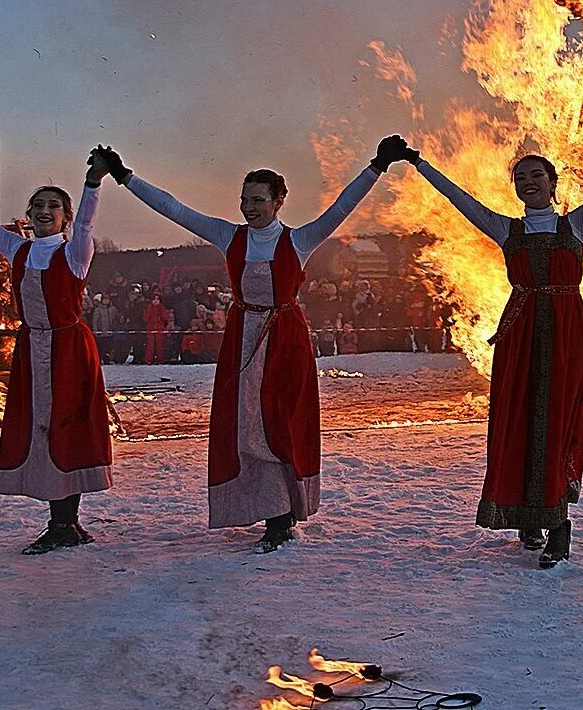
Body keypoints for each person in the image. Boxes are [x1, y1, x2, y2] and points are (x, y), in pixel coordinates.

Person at [91, 137, 405, 551]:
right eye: (245, 199)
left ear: (279, 202)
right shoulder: (229, 236)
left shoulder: (300, 241)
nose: (249, 207)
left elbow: (342, 208)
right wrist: (125, 176)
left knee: (278, 423)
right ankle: (273, 512)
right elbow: (174, 209)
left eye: (258, 200)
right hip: (242, 337)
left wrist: (376, 166)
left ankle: (283, 512)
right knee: (248, 425)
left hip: (285, 339)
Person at [407, 132, 583, 568]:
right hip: (520, 335)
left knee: (556, 424)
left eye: (537, 175)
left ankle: (558, 524)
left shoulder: (576, 224)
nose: (528, 181)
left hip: (565, 336)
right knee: (518, 422)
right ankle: (527, 518)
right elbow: (460, 199)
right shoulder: (506, 229)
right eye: (520, 177)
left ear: (554, 184)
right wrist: (418, 163)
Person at [0, 148, 112, 554]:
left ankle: (67, 524)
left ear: (64, 216)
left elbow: (86, 222)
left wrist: (92, 183)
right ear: (28, 214)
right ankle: (61, 522)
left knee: (70, 428)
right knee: (41, 430)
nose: (45, 211)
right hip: (33, 348)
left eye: (54, 206)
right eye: (38, 205)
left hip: (69, 349)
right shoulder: (18, 249)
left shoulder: (74, 253)